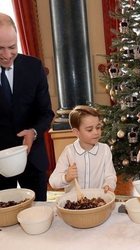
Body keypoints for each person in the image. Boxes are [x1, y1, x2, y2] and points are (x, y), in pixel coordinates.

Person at [0, 13, 54, 201]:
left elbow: (46, 113)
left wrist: (34, 132)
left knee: (39, 218)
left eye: (12, 47)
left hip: (33, 161)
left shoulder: (34, 67)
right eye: (0, 48)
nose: (7, 55)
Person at [49, 105, 117, 193]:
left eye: (98, 127)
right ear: (76, 132)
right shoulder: (69, 151)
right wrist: (66, 178)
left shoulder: (105, 150)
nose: (96, 132)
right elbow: (53, 181)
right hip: (75, 203)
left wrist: (109, 185)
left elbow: (110, 176)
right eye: (89, 130)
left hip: (98, 200)